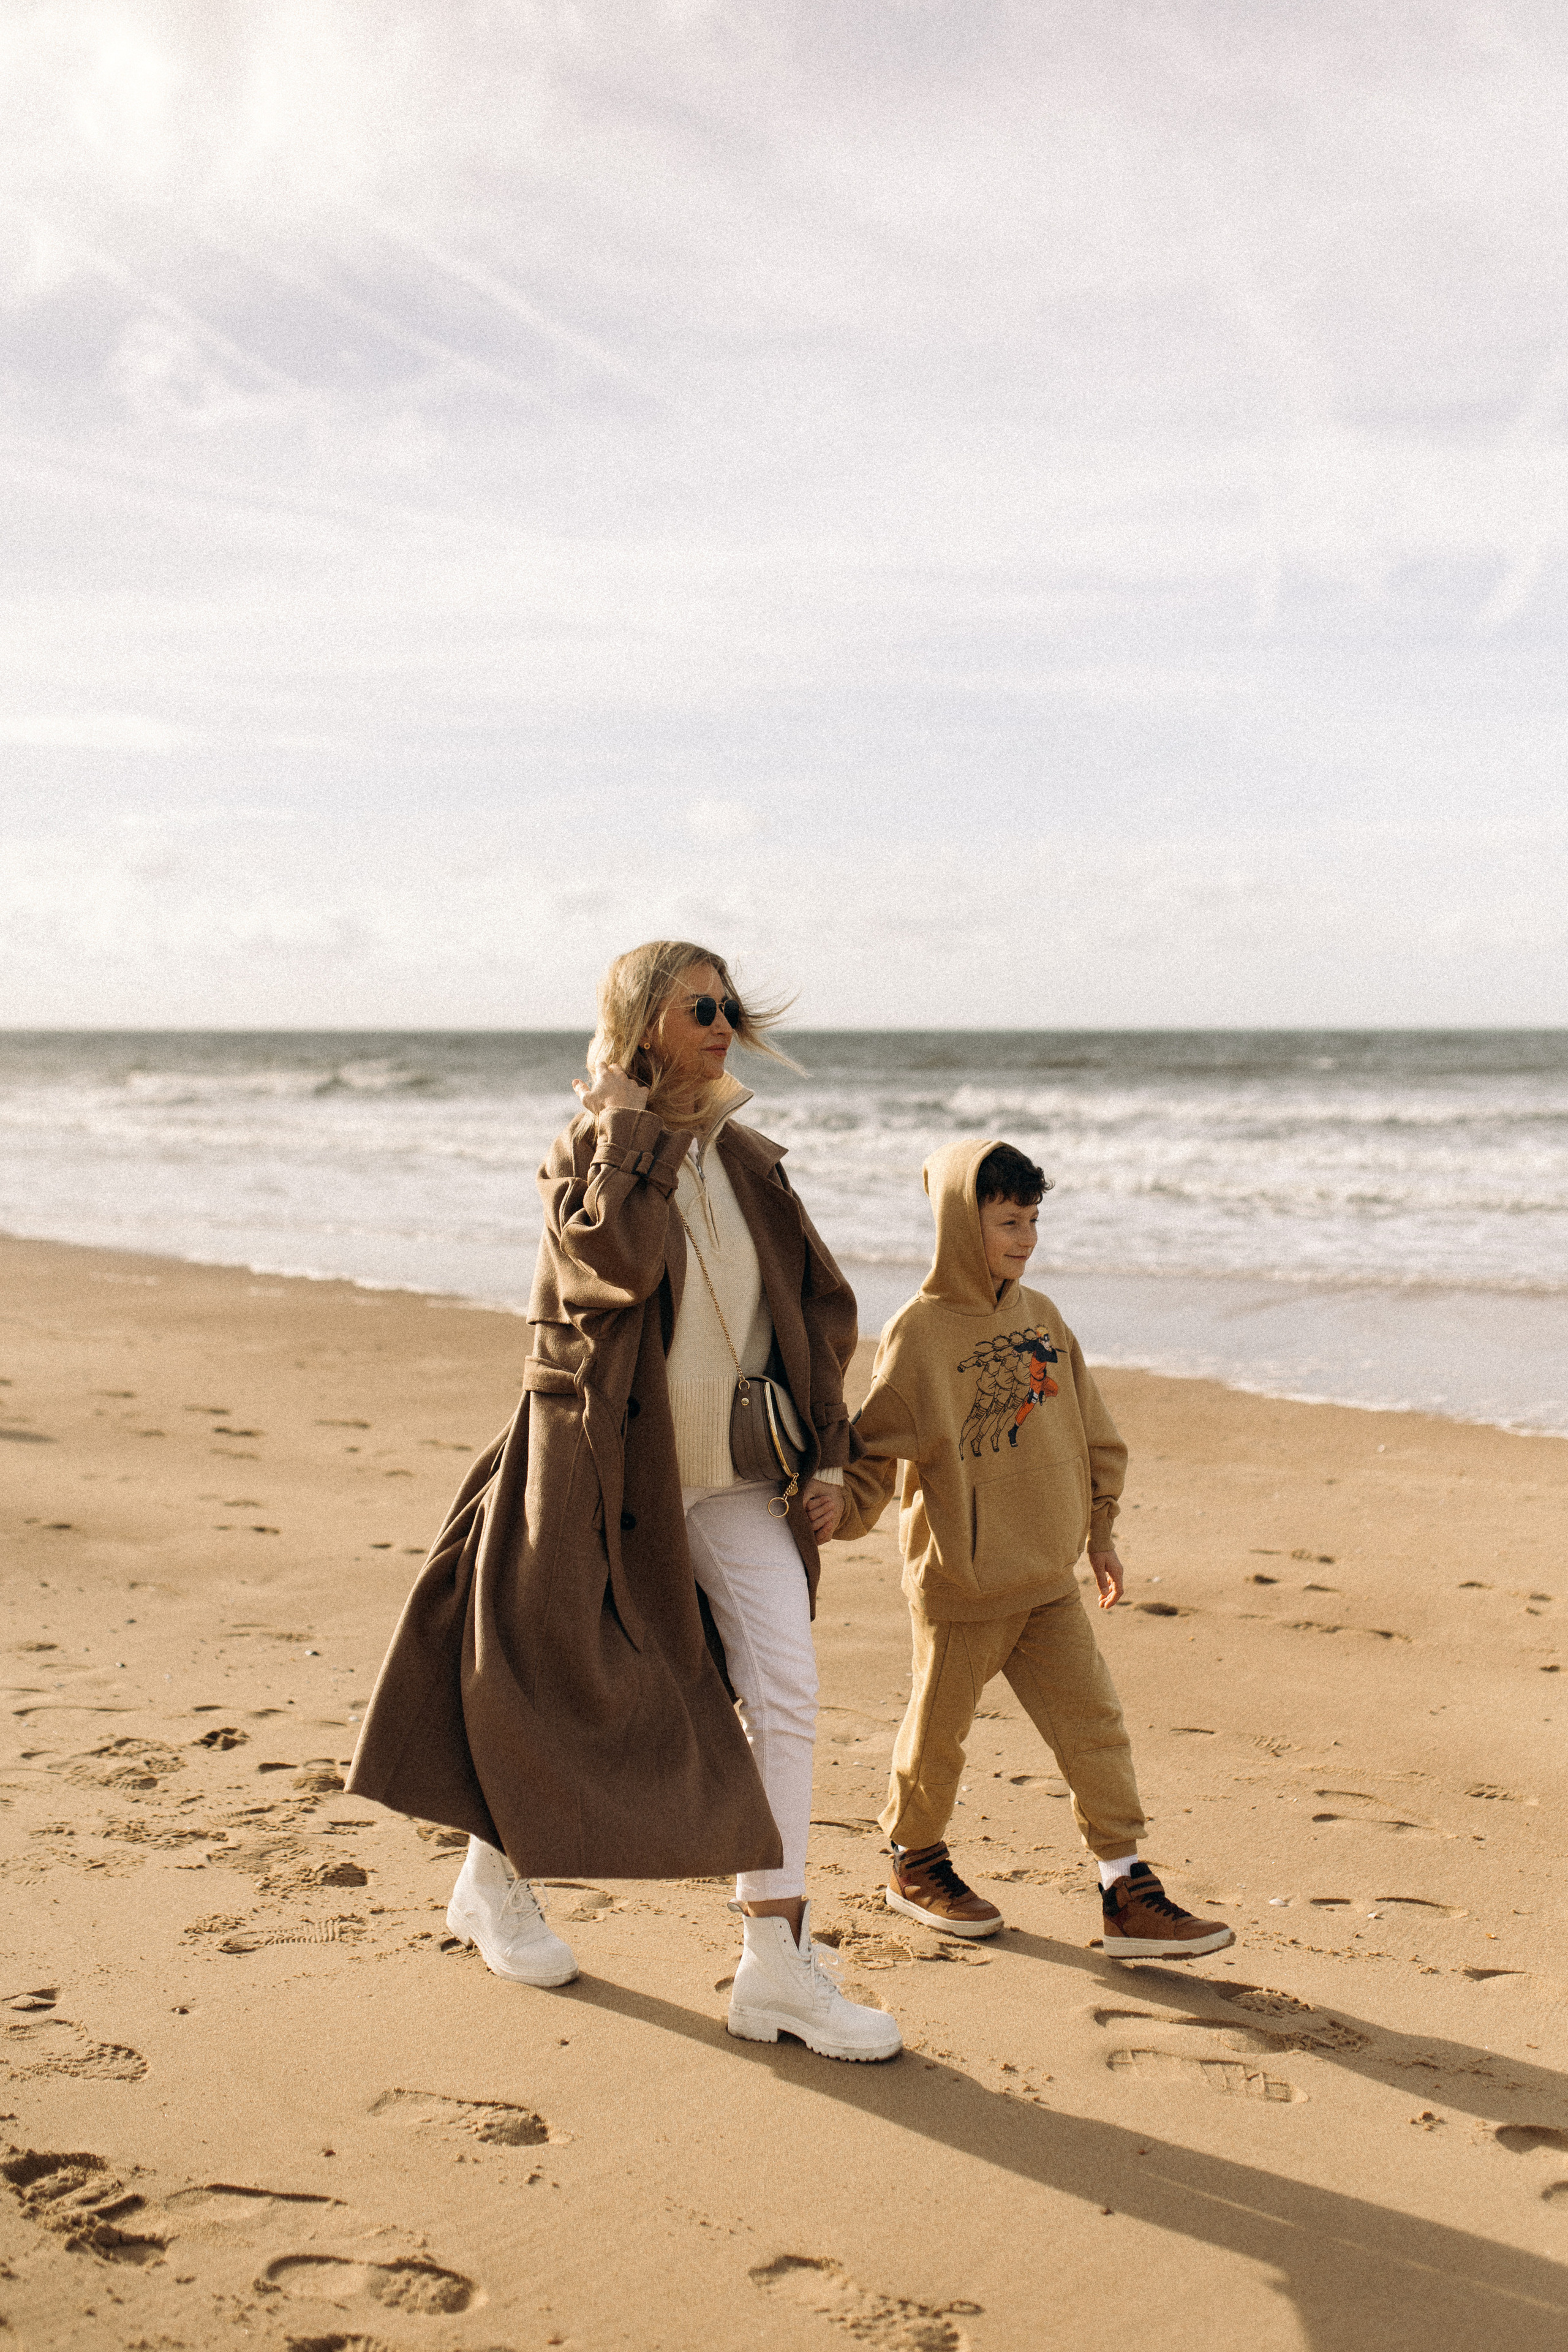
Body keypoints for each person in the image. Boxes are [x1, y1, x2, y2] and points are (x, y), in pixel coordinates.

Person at [347, 941, 902, 2062]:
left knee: (785, 1688)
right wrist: (627, 1131)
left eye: (730, 1004)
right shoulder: (588, 1150)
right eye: (701, 1004)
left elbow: (812, 1311)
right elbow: (613, 1266)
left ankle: (775, 1965)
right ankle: (492, 1882)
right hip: (612, 1471)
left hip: (737, 1479)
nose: (723, 1020)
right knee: (560, 1685)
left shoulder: (748, 1160)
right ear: (644, 1019)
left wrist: (831, 1459)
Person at [835, 1137, 1235, 1960]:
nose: (1025, 1237)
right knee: (937, 1733)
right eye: (1008, 1221)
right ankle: (914, 1861)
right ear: (958, 1223)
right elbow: (874, 1450)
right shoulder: (918, 1333)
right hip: (964, 1584)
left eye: (1033, 1220)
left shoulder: (1042, 1317)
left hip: (1048, 1577)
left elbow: (1092, 1431)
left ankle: (1125, 1888)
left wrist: (1101, 1531)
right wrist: (836, 1508)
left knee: (1095, 1725)